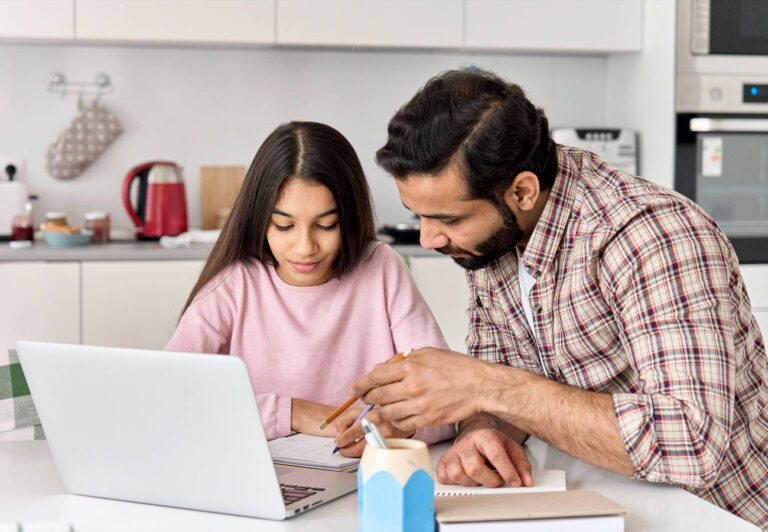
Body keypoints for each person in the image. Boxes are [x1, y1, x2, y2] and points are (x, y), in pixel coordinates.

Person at [339, 69, 768, 526]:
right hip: (604, 503)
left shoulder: (652, 235)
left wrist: (481, 385)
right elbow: (510, 389)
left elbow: (692, 443)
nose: (429, 239)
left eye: (449, 219)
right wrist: (483, 432)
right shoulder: (493, 240)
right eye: (418, 216)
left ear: (522, 191)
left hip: (717, 516)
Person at [166, 121, 454, 455]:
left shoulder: (381, 267)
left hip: (363, 475)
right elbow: (171, 394)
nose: (305, 247)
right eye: (284, 225)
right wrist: (291, 413)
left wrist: (400, 425)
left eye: (326, 224)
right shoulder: (236, 284)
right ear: (259, 219)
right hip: (264, 477)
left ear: (349, 218)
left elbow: (447, 400)